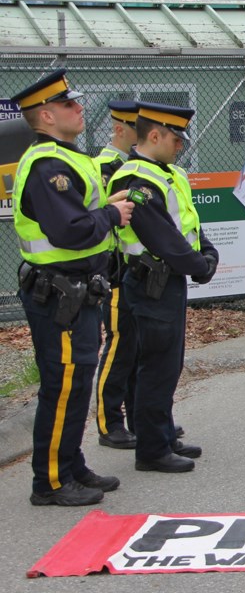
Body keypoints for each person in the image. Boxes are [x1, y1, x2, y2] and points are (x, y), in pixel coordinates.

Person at [11, 69, 134, 506]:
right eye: (68, 104)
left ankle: (71, 464)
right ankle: (51, 482)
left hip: (77, 291)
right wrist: (111, 216)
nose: (79, 108)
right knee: (62, 385)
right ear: (46, 115)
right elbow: (68, 230)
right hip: (58, 293)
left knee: (77, 383)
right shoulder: (48, 165)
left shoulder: (68, 157)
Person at [107, 102, 218, 473]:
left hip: (166, 281)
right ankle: (152, 449)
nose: (181, 145)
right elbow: (161, 237)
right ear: (154, 135)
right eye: (175, 138)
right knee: (156, 365)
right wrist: (199, 266)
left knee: (166, 364)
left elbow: (186, 224)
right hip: (150, 281)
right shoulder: (136, 178)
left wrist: (208, 253)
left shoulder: (167, 172)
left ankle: (162, 435)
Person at [94, 100, 140, 449]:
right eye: (137, 129)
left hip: (136, 270)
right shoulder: (104, 167)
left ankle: (142, 418)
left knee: (139, 346)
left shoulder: (134, 165)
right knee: (119, 346)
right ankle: (110, 422)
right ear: (121, 129)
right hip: (114, 271)